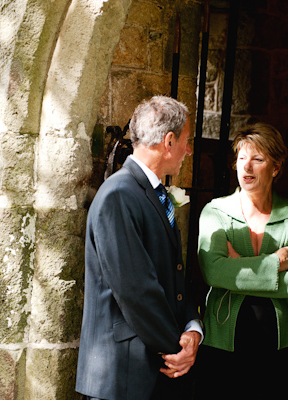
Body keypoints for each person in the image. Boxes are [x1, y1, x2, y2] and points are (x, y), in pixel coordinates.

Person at [76, 96, 203, 400]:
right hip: (119, 377)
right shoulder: (118, 195)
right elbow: (136, 289)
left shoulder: (153, 193)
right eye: (187, 141)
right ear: (168, 141)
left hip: (147, 373)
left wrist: (193, 329)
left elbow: (173, 274)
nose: (189, 150)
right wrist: (177, 348)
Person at [196, 122, 288, 399]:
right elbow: (212, 272)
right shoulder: (216, 212)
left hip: (278, 337)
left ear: (276, 167)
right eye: (241, 158)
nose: (246, 167)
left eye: (258, 159)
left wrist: (235, 266)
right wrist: (272, 263)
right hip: (223, 336)